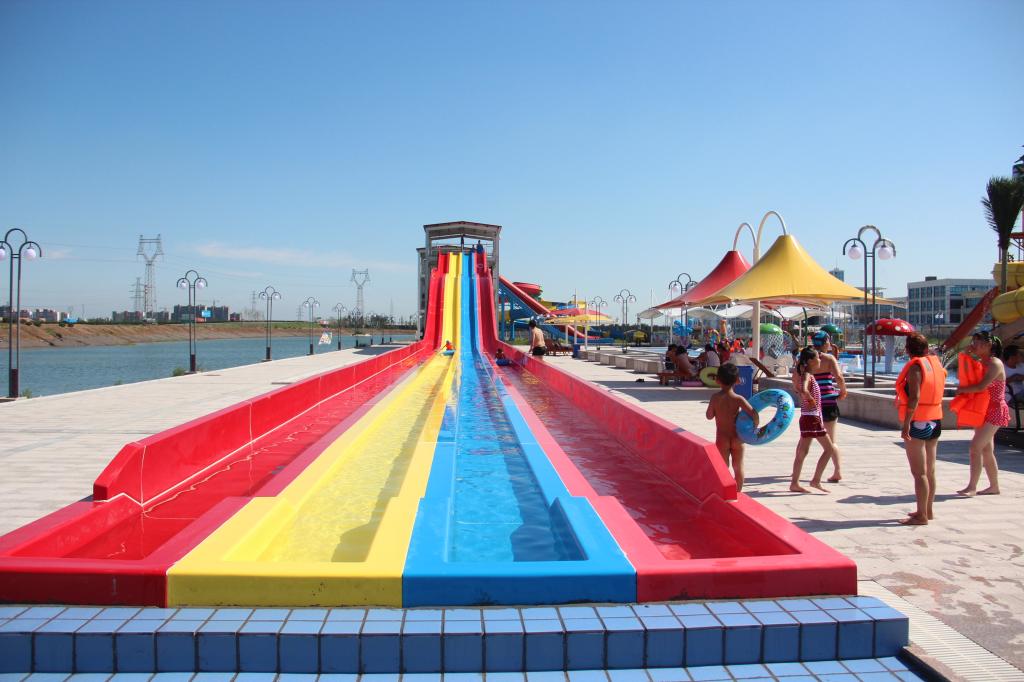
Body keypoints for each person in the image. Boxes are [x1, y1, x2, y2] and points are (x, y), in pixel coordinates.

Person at [895, 332, 947, 525]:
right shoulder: (936, 364)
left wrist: (906, 424)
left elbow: (914, 397)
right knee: (930, 471)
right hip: (935, 419)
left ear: (908, 350)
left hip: (918, 421)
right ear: (926, 348)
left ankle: (921, 516)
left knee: (919, 473)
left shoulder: (916, 367)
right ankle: (927, 510)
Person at [956, 331, 1005, 496]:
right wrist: (966, 354)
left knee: (975, 447)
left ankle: (972, 487)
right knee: (986, 450)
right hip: (982, 410)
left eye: (977, 342)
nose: (973, 345)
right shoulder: (980, 362)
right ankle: (994, 486)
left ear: (988, 344)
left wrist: (962, 390)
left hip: (995, 411)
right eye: (973, 341)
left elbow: (981, 386)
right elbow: (965, 374)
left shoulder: (995, 363)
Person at [791, 347, 838, 493]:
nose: (819, 360)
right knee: (829, 449)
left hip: (807, 417)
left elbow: (801, 388)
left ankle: (795, 483)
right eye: (818, 357)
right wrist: (810, 398)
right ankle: (815, 480)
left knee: (802, 451)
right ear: (811, 361)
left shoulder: (806, 375)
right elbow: (803, 389)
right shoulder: (807, 375)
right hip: (812, 418)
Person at [706, 363, 758, 491]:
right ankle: (738, 492)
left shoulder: (715, 398)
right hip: (737, 438)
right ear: (737, 381)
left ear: (717, 380)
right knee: (738, 467)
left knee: (723, 467)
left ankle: (724, 491)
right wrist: (755, 425)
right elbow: (753, 413)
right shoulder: (739, 399)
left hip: (722, 438)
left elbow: (709, 416)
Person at [810, 331, 848, 482]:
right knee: (832, 440)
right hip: (829, 402)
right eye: (829, 341)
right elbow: (839, 377)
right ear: (825, 342)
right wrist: (843, 391)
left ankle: (795, 471)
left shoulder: (808, 358)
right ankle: (837, 471)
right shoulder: (829, 358)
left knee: (805, 439)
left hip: (813, 404)